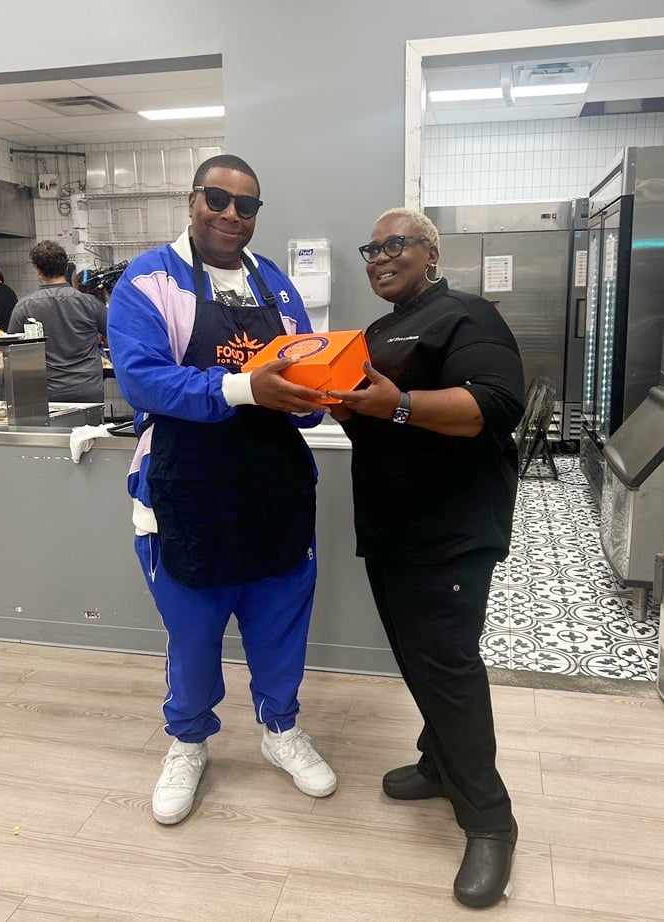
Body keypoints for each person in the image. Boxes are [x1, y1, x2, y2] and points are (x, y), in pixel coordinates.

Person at [106, 153, 337, 826]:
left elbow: (305, 377)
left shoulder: (276, 287)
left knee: (280, 621)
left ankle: (280, 730)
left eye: (247, 206)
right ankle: (187, 741)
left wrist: (318, 396)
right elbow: (144, 380)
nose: (232, 215)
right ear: (192, 199)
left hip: (275, 486)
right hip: (186, 489)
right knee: (194, 630)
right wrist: (243, 387)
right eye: (218, 199)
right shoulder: (148, 281)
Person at [328, 208, 525, 909]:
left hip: (450, 528)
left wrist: (398, 405)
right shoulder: (376, 333)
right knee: (418, 657)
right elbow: (384, 419)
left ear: (429, 252)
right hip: (390, 526)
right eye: (370, 247)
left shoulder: (467, 316)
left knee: (445, 663)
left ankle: (489, 820)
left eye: (394, 244)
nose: (379, 256)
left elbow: (493, 406)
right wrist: (353, 411)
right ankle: (438, 764)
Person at [7, 241, 107, 404]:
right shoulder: (90, 303)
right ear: (66, 267)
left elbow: (13, 351)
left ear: (38, 270)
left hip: (48, 392)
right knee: (91, 431)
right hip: (88, 389)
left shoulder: (24, 308)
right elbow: (115, 337)